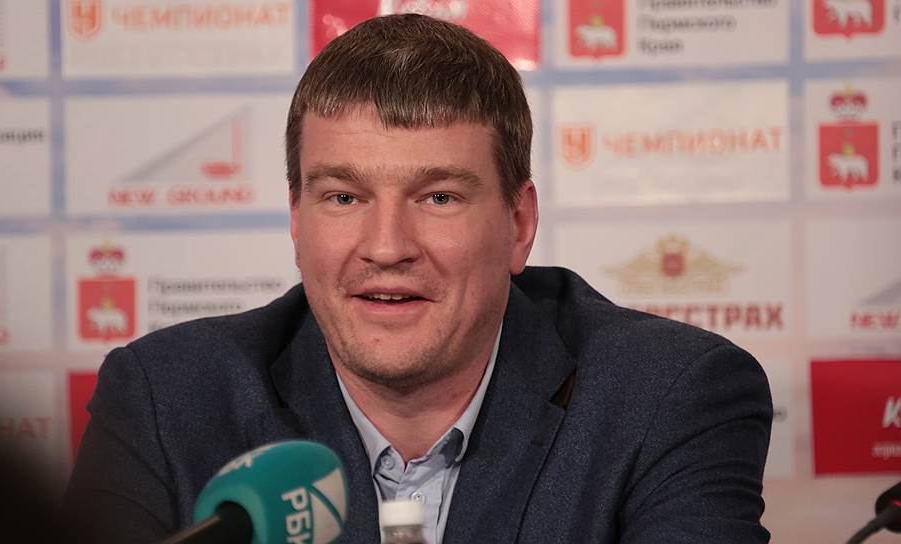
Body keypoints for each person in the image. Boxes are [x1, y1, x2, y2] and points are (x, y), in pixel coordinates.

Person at [64, 14, 772, 543]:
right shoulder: (166, 400)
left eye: (438, 197)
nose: (386, 247)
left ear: (518, 223)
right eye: (344, 197)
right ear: (296, 218)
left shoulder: (665, 396)